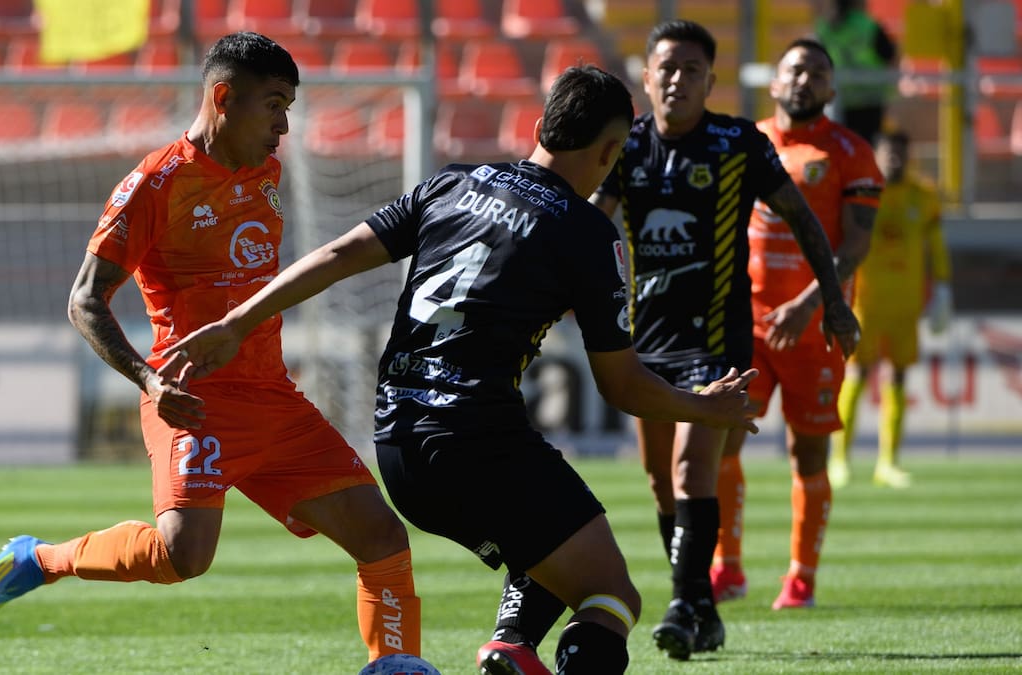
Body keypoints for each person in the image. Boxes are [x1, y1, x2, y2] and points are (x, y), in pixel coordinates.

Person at [158, 65, 761, 674]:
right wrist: (703, 407)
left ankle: (511, 646)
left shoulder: (451, 183)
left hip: (398, 449)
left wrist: (237, 322)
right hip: (478, 443)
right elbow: (623, 385)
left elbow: (338, 254)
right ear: (610, 152)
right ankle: (527, 649)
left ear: (539, 127)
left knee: (550, 533)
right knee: (611, 595)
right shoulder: (587, 234)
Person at [0, 32, 423, 666]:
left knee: (381, 535)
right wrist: (150, 380)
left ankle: (395, 664)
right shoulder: (156, 184)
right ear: (223, 97)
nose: (284, 126)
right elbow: (84, 300)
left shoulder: (266, 172)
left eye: (289, 108)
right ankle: (40, 560)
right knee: (184, 556)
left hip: (273, 399)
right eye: (274, 105)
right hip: (194, 400)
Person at [584, 21, 861, 661]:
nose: (677, 79)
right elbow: (592, 218)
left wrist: (834, 302)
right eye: (667, 68)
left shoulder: (738, 143)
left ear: (711, 80)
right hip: (644, 341)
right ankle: (701, 606)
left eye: (692, 69)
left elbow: (803, 218)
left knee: (691, 468)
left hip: (716, 339)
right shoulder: (628, 146)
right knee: (660, 481)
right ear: (647, 77)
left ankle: (684, 604)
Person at [712, 38, 881, 613]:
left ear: (831, 88)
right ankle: (726, 568)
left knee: (807, 455)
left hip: (815, 330)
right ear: (775, 82)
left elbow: (855, 245)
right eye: (795, 70)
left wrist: (810, 306)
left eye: (817, 72)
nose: (805, 80)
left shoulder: (851, 153)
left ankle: (801, 578)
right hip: (747, 325)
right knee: (723, 440)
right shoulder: (747, 143)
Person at [830, 130, 952, 489]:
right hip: (866, 304)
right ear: (876, 155)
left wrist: (943, 286)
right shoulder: (861, 193)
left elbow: (936, 245)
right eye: (888, 153)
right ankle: (840, 459)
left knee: (898, 377)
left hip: (905, 305)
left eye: (900, 152)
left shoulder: (923, 196)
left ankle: (888, 463)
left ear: (908, 155)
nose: (894, 159)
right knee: (856, 375)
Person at [813, 0, 898, 143]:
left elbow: (890, 55)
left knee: (865, 146)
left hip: (868, 100)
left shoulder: (865, 25)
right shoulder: (823, 28)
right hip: (841, 101)